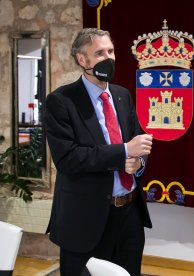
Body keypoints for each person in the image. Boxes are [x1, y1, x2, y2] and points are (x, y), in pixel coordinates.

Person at [44, 28, 153, 276]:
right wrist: (124, 151)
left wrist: (138, 162)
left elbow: (138, 144)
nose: (109, 58)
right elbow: (68, 159)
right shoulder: (61, 101)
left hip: (129, 215)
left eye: (111, 51)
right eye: (100, 53)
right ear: (83, 60)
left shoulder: (122, 95)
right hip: (85, 219)